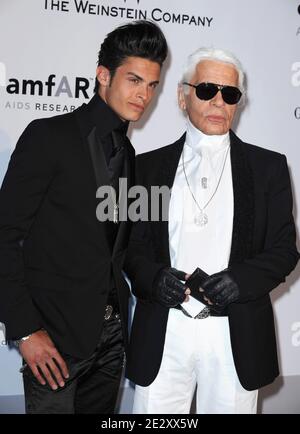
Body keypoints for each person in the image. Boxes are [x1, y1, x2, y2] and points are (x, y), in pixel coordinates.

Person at [0, 20, 168, 414]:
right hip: (55, 340)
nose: (143, 95)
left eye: (152, 85)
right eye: (134, 80)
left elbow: (117, 251)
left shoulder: (128, 156)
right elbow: (4, 236)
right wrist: (25, 331)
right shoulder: (48, 136)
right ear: (103, 75)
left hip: (112, 340)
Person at [124, 47, 299, 414]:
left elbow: (285, 249)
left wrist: (242, 280)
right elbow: (128, 248)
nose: (219, 101)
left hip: (235, 336)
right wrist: (154, 278)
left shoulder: (269, 168)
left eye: (230, 93)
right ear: (182, 96)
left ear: (238, 102)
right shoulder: (145, 168)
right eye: (206, 90)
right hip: (164, 332)